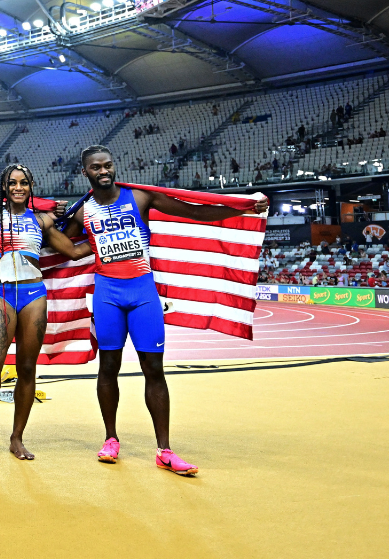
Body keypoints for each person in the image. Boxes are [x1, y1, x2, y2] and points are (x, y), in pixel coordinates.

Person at [64, 145, 267, 476]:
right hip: (107, 295)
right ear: (84, 172)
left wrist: (242, 206)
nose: (103, 171)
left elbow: (193, 212)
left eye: (108, 165)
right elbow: (60, 243)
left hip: (143, 293)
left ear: (114, 167)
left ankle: (164, 450)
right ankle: (110, 439)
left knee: (154, 371)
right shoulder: (82, 210)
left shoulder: (141, 198)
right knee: (108, 368)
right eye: (95, 167)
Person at [0, 164, 87, 460]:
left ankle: (17, 438)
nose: (18, 187)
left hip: (34, 295)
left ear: (31, 187)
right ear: (4, 187)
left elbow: (72, 251)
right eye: (12, 183)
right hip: (2, 295)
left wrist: (106, 243)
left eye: (24, 183)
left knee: (27, 368)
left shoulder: (42, 220)